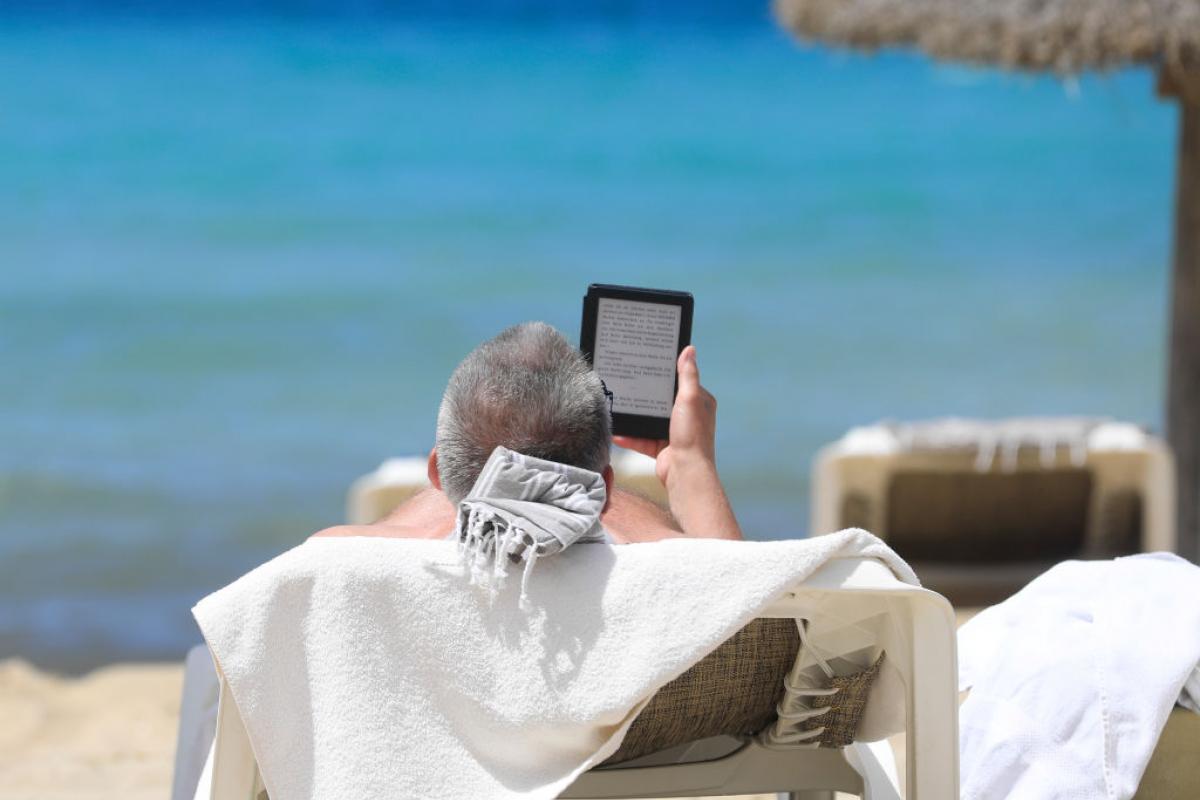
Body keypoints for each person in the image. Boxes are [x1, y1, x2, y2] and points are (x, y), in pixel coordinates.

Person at [313, 321, 741, 543]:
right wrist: (691, 462)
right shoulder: (666, 581)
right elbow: (748, 610)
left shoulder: (333, 563)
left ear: (438, 471)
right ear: (604, 491)